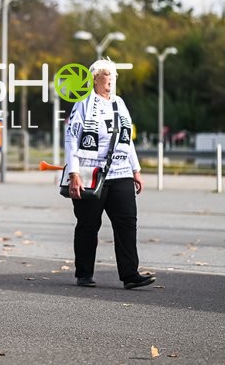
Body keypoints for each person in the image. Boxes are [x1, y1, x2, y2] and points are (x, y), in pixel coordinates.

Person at [64, 58, 155, 290]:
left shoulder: (120, 104)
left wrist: (136, 170)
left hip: (120, 171)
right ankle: (84, 273)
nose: (111, 79)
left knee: (127, 223)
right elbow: (72, 139)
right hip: (91, 172)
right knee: (88, 224)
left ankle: (130, 274)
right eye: (106, 74)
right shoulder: (83, 104)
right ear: (95, 78)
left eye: (114, 75)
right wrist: (73, 172)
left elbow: (127, 140)